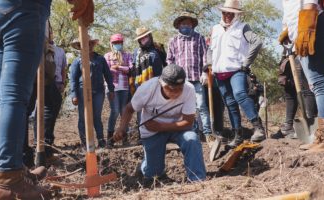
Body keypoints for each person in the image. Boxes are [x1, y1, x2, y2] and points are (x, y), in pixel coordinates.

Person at [0, 0, 93, 198]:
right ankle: (10, 179)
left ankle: (11, 168)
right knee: (13, 97)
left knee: (1, 97)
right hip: (21, 10)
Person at [113, 64, 206, 183]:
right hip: (152, 131)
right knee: (153, 176)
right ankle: (147, 166)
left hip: (178, 129)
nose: (176, 92)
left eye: (179, 88)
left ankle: (197, 179)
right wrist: (122, 128)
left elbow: (188, 122)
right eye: (171, 89)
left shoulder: (189, 89)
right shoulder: (148, 88)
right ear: (161, 83)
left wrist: (161, 126)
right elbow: (129, 109)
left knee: (192, 139)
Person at [279, 0, 324, 152]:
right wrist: (288, 30)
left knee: (320, 84)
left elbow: (310, 3)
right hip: (313, 25)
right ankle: (322, 138)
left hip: (315, 23)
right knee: (317, 85)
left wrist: (305, 29)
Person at [210, 0, 265, 148]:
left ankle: (258, 127)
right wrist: (208, 66)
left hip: (237, 70)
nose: (227, 15)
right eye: (225, 12)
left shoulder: (242, 27)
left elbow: (257, 42)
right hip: (219, 73)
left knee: (240, 94)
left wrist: (246, 63)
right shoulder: (215, 29)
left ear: (236, 14)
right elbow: (210, 50)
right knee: (230, 104)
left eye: (231, 13)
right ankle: (238, 135)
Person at [167, 12, 213, 143]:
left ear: (192, 24)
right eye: (183, 23)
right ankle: (190, 132)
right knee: (185, 109)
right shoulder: (173, 41)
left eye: (188, 23)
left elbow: (205, 56)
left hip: (197, 78)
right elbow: (169, 60)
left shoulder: (199, 38)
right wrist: (172, 77)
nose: (185, 25)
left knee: (202, 106)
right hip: (181, 82)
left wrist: (205, 72)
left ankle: (207, 133)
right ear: (179, 25)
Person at [70, 37, 115, 149]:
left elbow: (108, 75)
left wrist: (111, 89)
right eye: (84, 44)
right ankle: (85, 142)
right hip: (82, 92)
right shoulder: (77, 61)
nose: (87, 46)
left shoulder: (100, 59)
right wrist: (74, 95)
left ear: (92, 45)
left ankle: (101, 140)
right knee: (83, 117)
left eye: (89, 44)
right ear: (80, 47)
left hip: (98, 91)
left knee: (96, 116)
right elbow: (73, 79)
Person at [33, 24, 67, 158]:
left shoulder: (58, 49)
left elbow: (63, 68)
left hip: (48, 75)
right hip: (37, 66)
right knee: (30, 107)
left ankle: (44, 144)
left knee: (51, 103)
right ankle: (39, 147)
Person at [273, 50, 317, 139]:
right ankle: (288, 126)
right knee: (289, 92)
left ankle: (310, 122)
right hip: (289, 57)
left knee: (306, 89)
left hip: (302, 53)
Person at [104, 33, 133, 147]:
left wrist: (118, 67)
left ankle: (125, 138)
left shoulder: (127, 55)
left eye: (119, 43)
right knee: (114, 111)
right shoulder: (107, 56)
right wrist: (119, 69)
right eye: (115, 43)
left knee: (123, 112)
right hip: (112, 88)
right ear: (111, 44)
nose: (118, 45)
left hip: (125, 87)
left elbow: (130, 69)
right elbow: (106, 71)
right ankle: (110, 139)